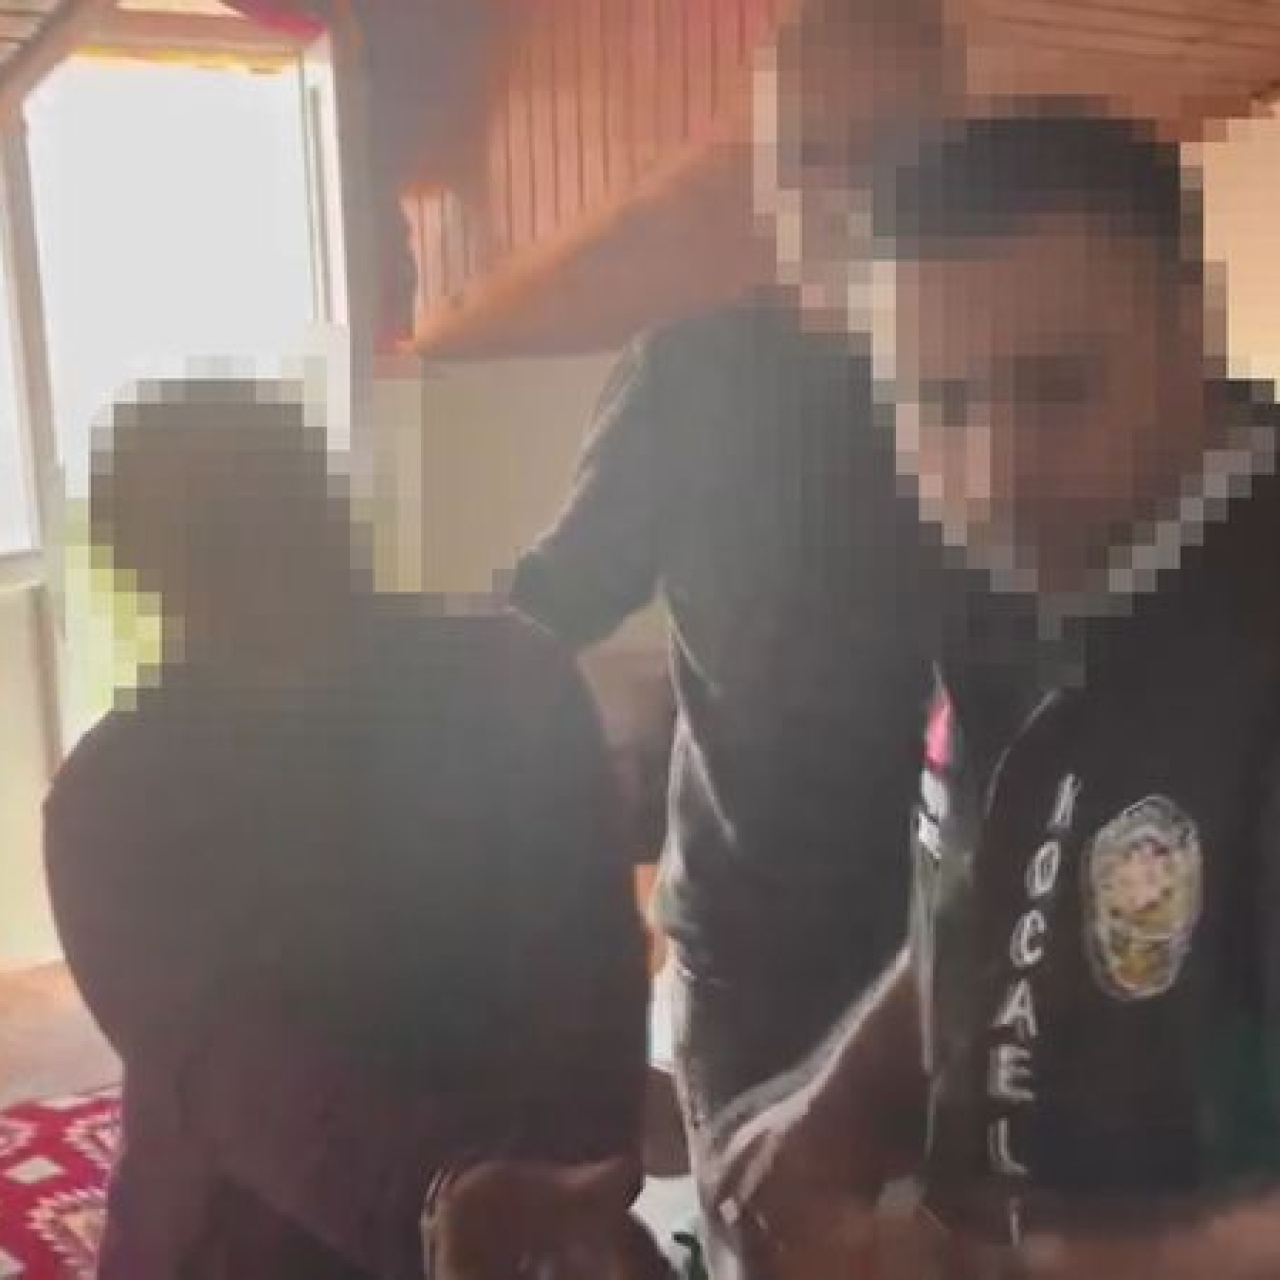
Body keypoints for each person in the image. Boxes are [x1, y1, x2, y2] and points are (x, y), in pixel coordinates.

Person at [709, 105, 1280, 1280]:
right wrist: (835, 1099)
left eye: (1058, 388)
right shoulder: (1015, 573)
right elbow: (994, 890)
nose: (994, 472)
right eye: (938, 403)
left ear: (1194, 326)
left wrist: (977, 1266)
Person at [510, 3, 963, 1273]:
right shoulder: (687, 378)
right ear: (767, 175)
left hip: (977, 950)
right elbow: (545, 605)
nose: (852, 183)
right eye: (815, 148)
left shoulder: (1005, 375)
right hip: (753, 961)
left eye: (891, 142)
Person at [44, 378, 657, 1280]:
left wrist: (559, 1200)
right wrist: (447, 1200)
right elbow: (240, 1080)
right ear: (152, 575)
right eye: (217, 535)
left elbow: (592, 989)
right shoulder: (112, 803)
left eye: (275, 507)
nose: (263, 557)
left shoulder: (516, 685)